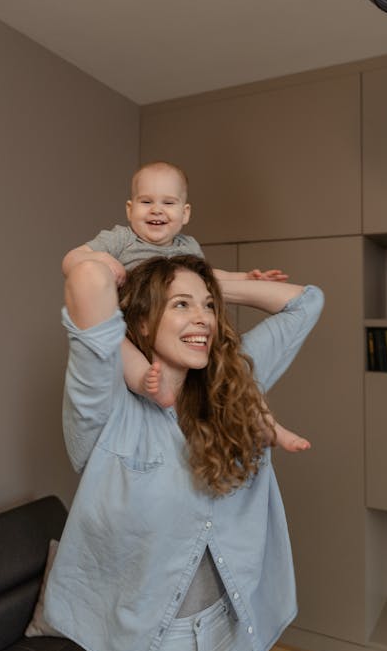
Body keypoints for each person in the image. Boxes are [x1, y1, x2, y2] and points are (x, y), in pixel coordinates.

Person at [44, 255, 324, 651]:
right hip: (154, 645)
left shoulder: (233, 380)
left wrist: (211, 284)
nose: (204, 319)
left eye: (209, 306)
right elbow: (87, 279)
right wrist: (128, 272)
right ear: (141, 323)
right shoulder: (106, 410)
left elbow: (307, 302)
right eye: (180, 305)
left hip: (232, 626)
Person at [62, 160, 309, 453]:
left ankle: (267, 423)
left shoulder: (187, 247)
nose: (156, 209)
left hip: (169, 330)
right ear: (130, 209)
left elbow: (212, 278)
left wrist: (246, 278)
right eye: (146, 201)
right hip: (128, 325)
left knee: (231, 372)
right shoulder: (120, 239)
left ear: (185, 212)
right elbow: (72, 260)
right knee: (125, 353)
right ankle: (147, 384)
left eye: (168, 202)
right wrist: (103, 261)